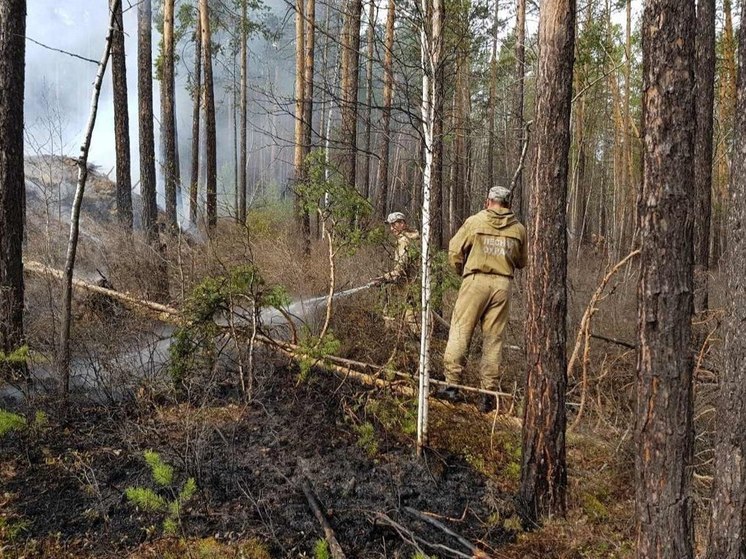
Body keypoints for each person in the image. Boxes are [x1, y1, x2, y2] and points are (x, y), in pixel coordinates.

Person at [438, 186, 527, 412]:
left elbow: (454, 250)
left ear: (488, 201)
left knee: (460, 330)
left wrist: (462, 272)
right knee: (494, 339)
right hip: (502, 285)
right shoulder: (518, 229)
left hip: (476, 280)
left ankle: (451, 386)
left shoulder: (475, 221)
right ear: (508, 204)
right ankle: (488, 394)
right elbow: (521, 262)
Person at [371, 212, 420, 335]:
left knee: (410, 317)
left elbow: (400, 269)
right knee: (407, 316)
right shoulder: (410, 239)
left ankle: (416, 346)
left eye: (394, 225)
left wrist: (383, 278)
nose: (391, 229)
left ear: (402, 224)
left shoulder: (404, 241)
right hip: (409, 285)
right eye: (390, 226)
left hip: (409, 286)